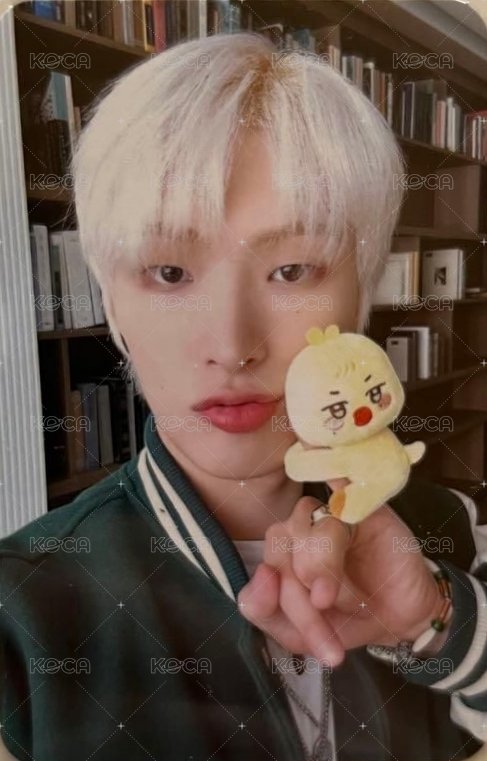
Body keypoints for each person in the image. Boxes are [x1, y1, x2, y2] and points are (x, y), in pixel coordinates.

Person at [1, 30, 487, 761]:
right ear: (112, 303)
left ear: (361, 291)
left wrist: (436, 626)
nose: (231, 345)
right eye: (169, 272)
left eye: (291, 270)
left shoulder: (449, 526)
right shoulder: (22, 609)